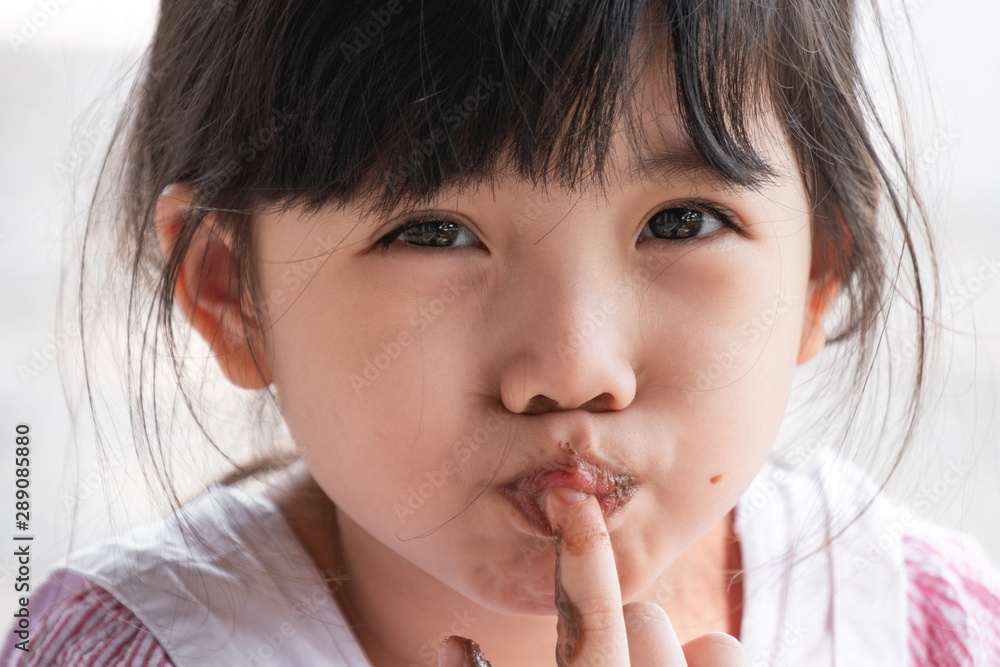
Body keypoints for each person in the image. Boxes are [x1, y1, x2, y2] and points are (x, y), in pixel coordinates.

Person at [4, 0, 999, 665]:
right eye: (433, 232)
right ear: (233, 290)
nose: (572, 366)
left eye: (682, 221)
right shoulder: (120, 646)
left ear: (816, 270)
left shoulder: (922, 625)